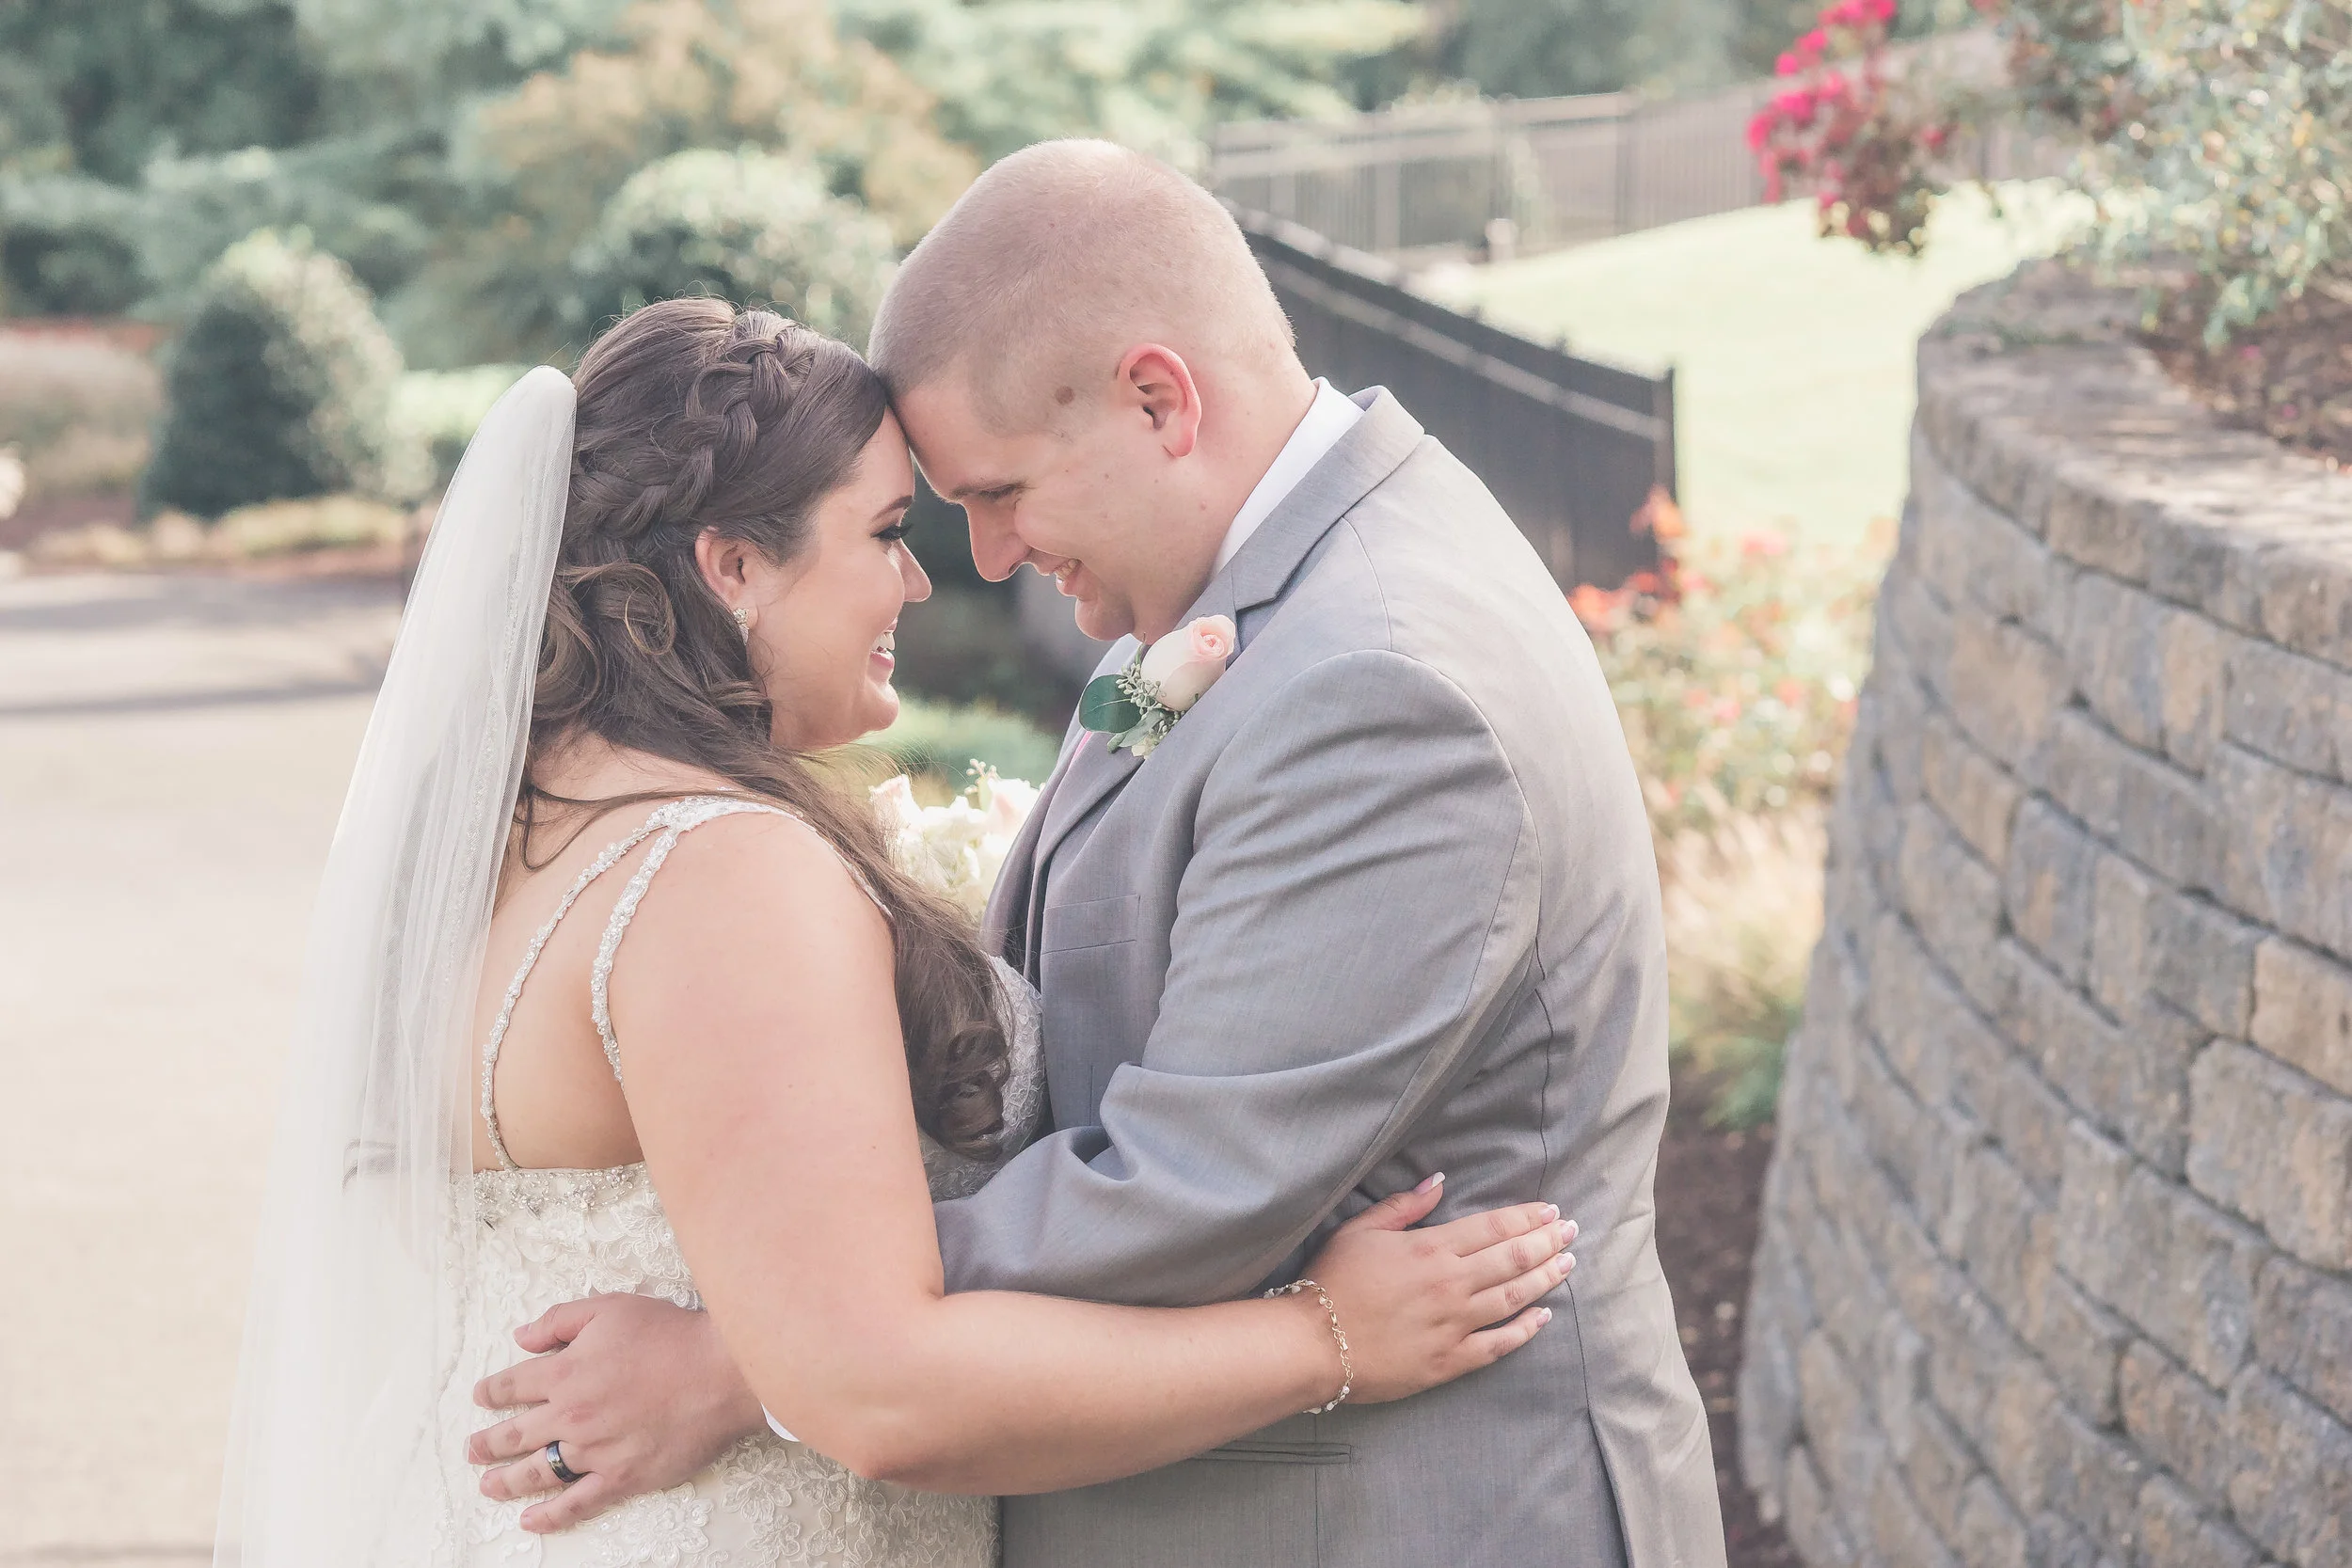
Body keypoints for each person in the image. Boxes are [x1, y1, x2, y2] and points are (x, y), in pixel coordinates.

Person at [476, 141, 1726, 1567]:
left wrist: (761, 1352)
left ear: (1158, 399)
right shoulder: (1250, 616)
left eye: (997, 494)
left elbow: (1182, 1196)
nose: (989, 560)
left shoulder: (1381, 684)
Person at [213, 293, 1575, 1566]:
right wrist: (1330, 1336)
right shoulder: (720, 875)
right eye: (885, 533)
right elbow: (872, 1385)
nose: (923, 584)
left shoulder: (513, 837)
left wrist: (1124, 748)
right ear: (734, 564)